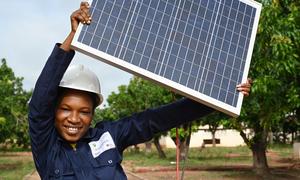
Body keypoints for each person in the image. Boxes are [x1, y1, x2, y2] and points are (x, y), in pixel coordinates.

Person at [28, 2, 252, 179]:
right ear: (54, 111)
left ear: (93, 113)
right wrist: (72, 38)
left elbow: (156, 120)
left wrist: (222, 95)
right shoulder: (47, 148)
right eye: (66, 109)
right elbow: (39, 105)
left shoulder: (109, 136)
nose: (74, 119)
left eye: (84, 111)